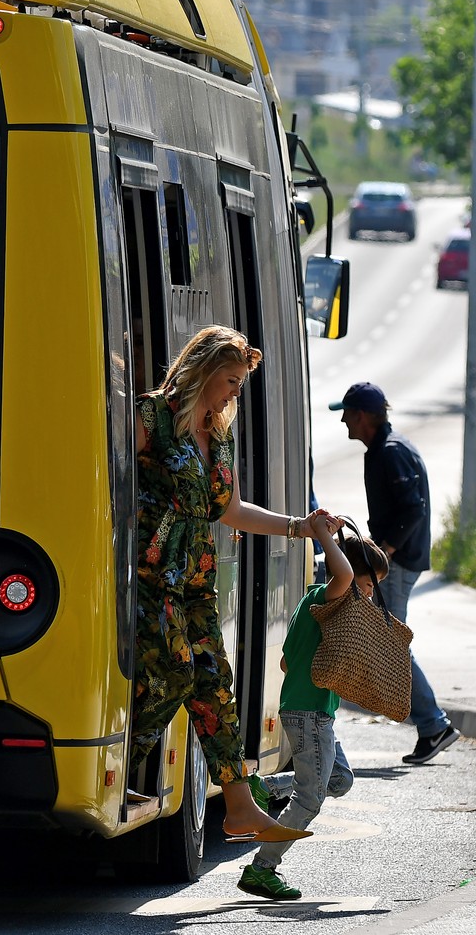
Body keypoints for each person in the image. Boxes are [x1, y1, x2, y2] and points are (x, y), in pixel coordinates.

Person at [132, 324, 338, 844]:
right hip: (152, 574)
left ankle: (241, 807)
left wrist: (299, 527)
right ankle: (123, 765)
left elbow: (231, 510)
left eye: (239, 384)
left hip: (197, 579)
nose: (233, 393)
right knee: (176, 673)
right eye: (229, 380)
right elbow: (107, 484)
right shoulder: (149, 417)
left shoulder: (217, 433)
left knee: (216, 689)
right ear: (201, 371)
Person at [239, 525, 391, 902]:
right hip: (310, 715)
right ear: (349, 577)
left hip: (314, 713)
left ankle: (266, 786)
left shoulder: (310, 605)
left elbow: (288, 662)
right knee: (309, 799)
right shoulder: (329, 598)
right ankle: (261, 869)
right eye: (369, 586)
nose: (371, 595)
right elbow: (342, 575)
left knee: (339, 780)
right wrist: (323, 535)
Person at [331, 382, 459, 765]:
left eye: (348, 413)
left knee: (392, 642)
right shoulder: (384, 449)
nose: (343, 421)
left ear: (364, 416)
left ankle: (434, 725)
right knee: (389, 640)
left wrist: (383, 551)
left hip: (399, 563)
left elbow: (413, 509)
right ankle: (432, 724)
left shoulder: (390, 452)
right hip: (400, 558)